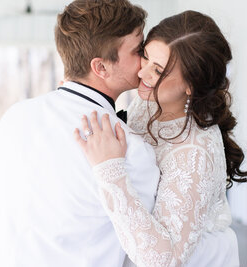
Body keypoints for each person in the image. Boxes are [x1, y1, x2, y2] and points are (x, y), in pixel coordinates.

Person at [0, 0, 161, 266]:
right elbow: (142, 251)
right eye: (138, 50)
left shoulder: (14, 117)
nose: (146, 59)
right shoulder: (128, 147)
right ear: (101, 67)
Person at [75, 10, 247, 267]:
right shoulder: (150, 104)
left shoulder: (195, 152)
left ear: (191, 85)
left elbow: (163, 261)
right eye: (145, 56)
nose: (142, 73)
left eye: (158, 70)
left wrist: (110, 171)